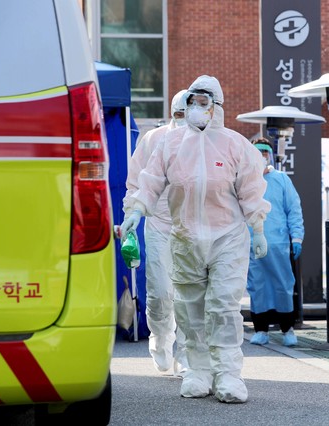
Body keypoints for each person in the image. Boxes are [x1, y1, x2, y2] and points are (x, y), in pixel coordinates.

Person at [120, 75, 270, 403]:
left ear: (216, 107)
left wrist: (257, 227)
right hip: (184, 236)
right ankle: (198, 370)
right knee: (189, 308)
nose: (196, 108)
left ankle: (228, 373)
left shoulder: (235, 145)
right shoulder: (169, 145)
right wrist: (136, 210)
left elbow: (251, 188)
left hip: (227, 237)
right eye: (192, 102)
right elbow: (150, 179)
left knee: (223, 306)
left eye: (204, 102)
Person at [122, 90, 189, 376]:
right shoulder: (153, 139)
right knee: (161, 292)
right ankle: (161, 339)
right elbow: (136, 180)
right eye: (179, 114)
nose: (184, 119)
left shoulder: (208, 142)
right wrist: (131, 216)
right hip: (159, 224)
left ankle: (188, 354)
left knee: (190, 294)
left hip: (193, 227)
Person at [247, 138, 304, 347]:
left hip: (278, 242)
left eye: (265, 153)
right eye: (257, 153)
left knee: (283, 285)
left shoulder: (281, 179)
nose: (261, 158)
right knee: (257, 286)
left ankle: (288, 329)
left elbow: (294, 209)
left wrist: (296, 237)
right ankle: (261, 330)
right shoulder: (245, 180)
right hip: (252, 243)